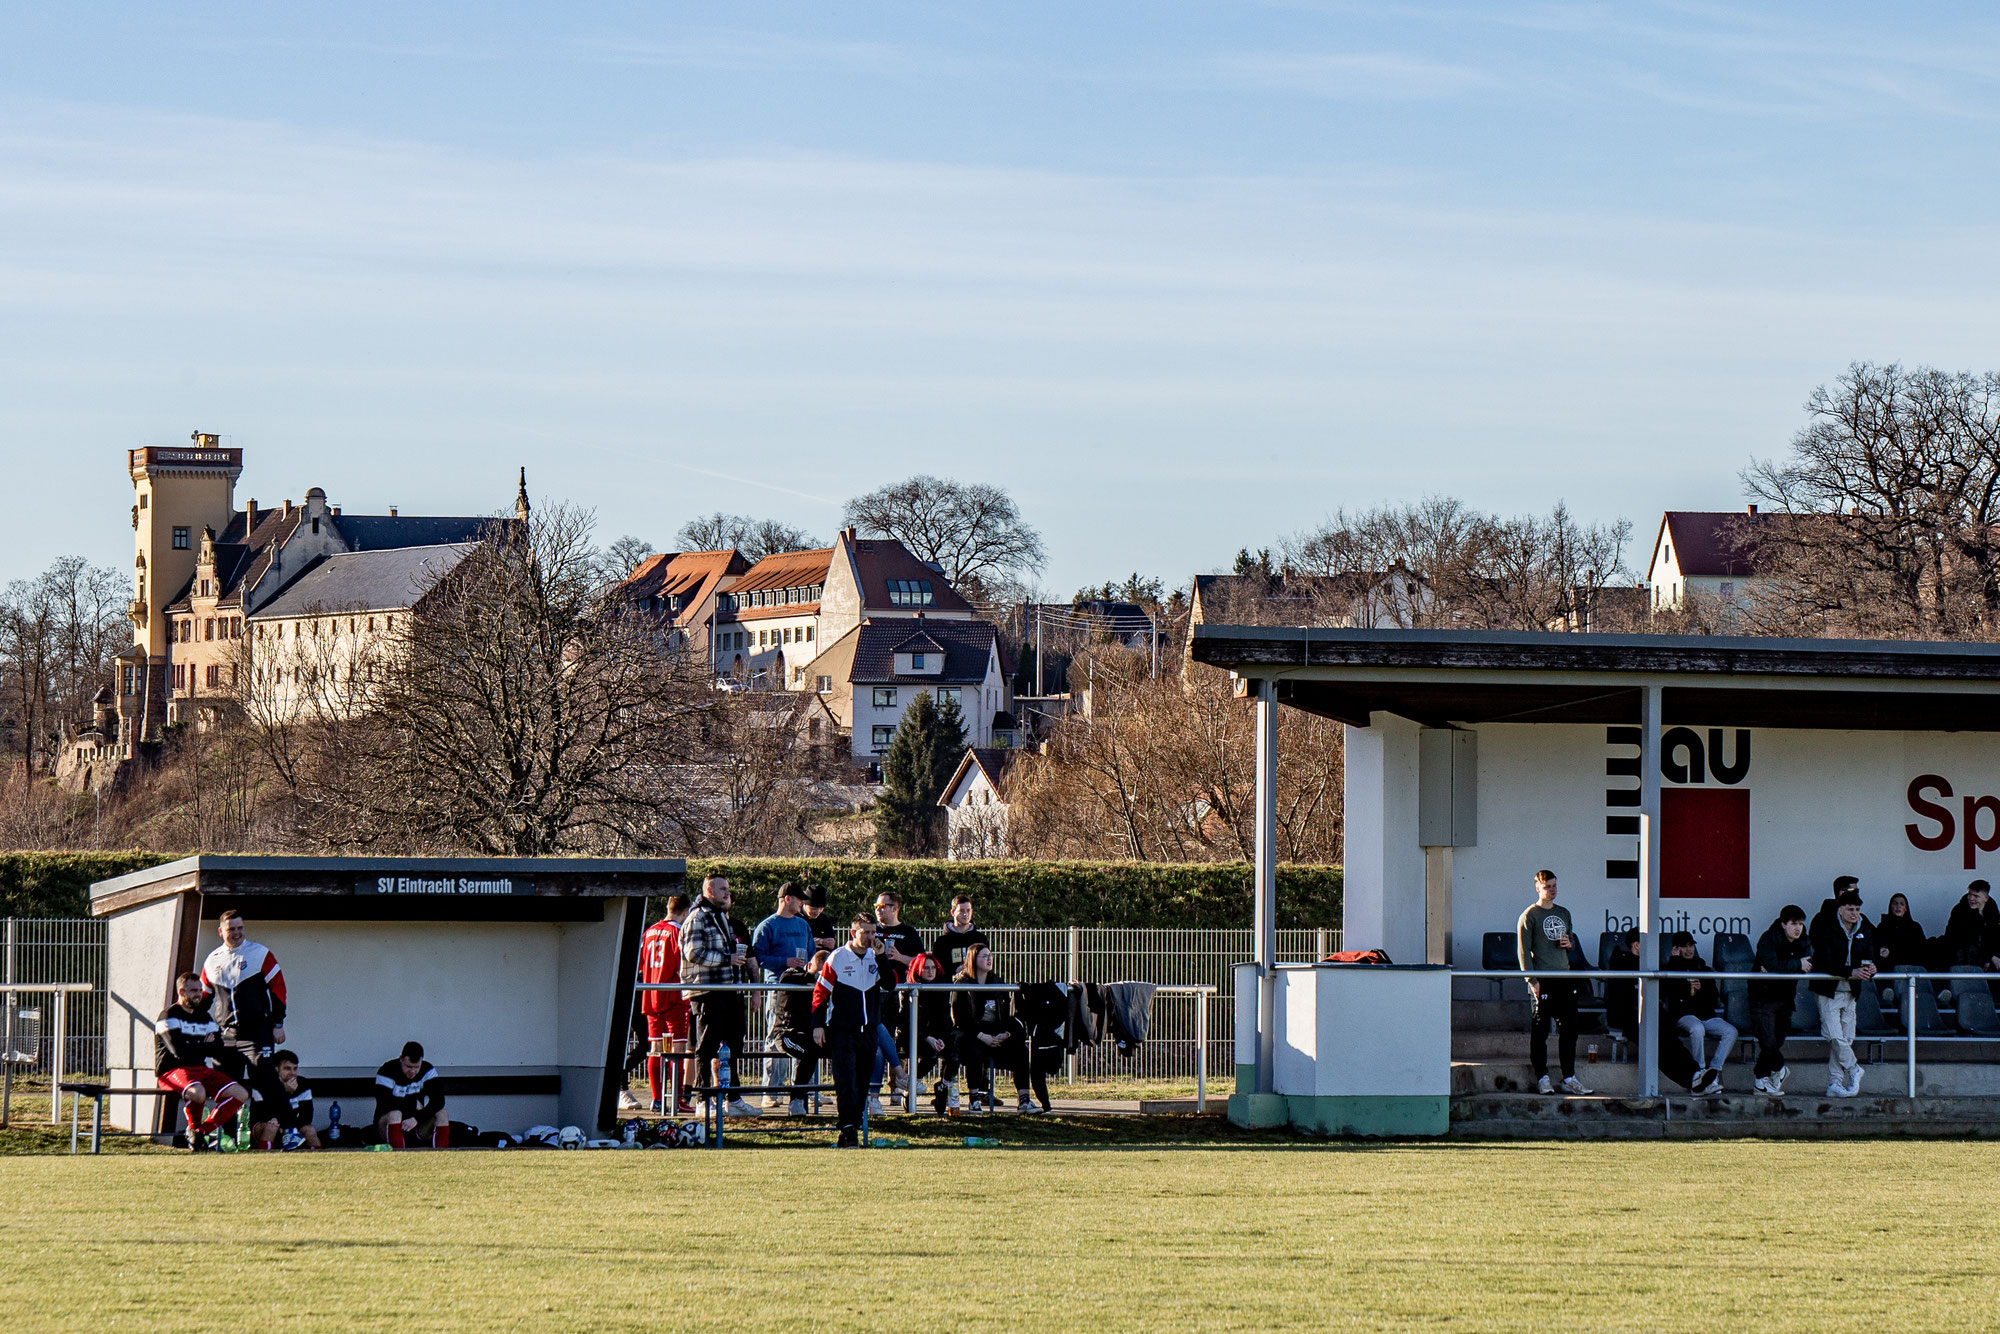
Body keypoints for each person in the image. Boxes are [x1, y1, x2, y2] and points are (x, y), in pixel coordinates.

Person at [680, 875, 760, 1119]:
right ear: (708, 890)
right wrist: (727, 959)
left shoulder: (720, 917)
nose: (728, 892)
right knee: (706, 1048)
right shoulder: (698, 917)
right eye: (722, 888)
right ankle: (703, 1099)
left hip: (729, 992)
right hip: (707, 993)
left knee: (734, 1046)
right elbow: (693, 952)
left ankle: (732, 1098)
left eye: (728, 888)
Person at [155, 970, 251, 1152]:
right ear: (181, 992)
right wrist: (202, 1044)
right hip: (172, 1071)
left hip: (200, 1069)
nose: (199, 994)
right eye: (193, 991)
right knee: (198, 1092)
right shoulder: (168, 1016)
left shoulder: (205, 1017)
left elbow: (217, 1048)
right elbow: (178, 1052)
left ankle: (199, 1132)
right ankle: (196, 1133)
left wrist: (194, 1044)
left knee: (241, 1093)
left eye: (200, 990)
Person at [812, 917, 886, 1148]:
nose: (871, 937)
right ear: (854, 932)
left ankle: (851, 1126)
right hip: (843, 1030)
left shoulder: (876, 956)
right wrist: (817, 1025)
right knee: (846, 1082)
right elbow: (820, 993)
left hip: (869, 1030)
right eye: (866, 932)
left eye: (874, 932)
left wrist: (883, 958)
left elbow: (892, 983)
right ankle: (848, 1129)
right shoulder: (838, 957)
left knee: (863, 1083)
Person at [1516, 869, 1591, 1095]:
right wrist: (1532, 981)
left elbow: (1570, 942)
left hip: (1564, 978)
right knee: (1540, 1031)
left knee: (1570, 1030)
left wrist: (1570, 944)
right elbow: (1523, 952)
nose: (1552, 890)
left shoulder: (1564, 912)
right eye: (1548, 886)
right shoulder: (1529, 915)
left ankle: (1569, 1077)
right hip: (1543, 980)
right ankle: (1543, 1077)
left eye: (1555, 885)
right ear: (1538, 888)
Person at [201, 909, 287, 1080]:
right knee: (226, 1086)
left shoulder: (260, 953)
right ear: (221, 932)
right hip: (226, 1034)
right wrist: (201, 1026)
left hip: (258, 1032)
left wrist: (278, 1024)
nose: (237, 933)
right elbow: (203, 997)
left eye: (240, 928)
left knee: (264, 1085)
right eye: (231, 929)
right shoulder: (212, 960)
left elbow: (279, 989)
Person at [1808, 882, 1876, 1098]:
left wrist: (1873, 967)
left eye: (1857, 909)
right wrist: (1850, 971)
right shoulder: (1827, 928)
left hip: (1852, 991)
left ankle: (1835, 1083)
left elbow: (1870, 954)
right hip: (1829, 990)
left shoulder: (1865, 928)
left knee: (1846, 1039)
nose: (1854, 914)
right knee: (1834, 1036)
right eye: (1850, 909)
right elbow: (1823, 961)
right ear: (1840, 909)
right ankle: (1854, 1069)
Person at [752, 884, 815, 1110]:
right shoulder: (767, 926)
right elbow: (757, 957)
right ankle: (771, 1090)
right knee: (775, 1036)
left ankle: (801, 1089)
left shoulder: (803, 925)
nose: (803, 904)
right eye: (799, 900)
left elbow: (811, 953)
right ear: (787, 899)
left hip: (802, 989)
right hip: (777, 989)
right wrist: (784, 962)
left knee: (803, 1038)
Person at [952, 944, 1033, 1114]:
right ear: (973, 959)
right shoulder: (963, 984)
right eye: (984, 956)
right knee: (974, 1049)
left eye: (990, 955)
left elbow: (1007, 1014)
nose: (989, 959)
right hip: (974, 1034)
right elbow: (960, 1018)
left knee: (1021, 1049)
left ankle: (1024, 1100)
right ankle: (974, 1098)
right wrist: (982, 1035)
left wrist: (1006, 1033)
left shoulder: (997, 982)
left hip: (996, 1033)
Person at [636, 894, 695, 1115]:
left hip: (651, 996)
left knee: (656, 1048)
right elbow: (684, 965)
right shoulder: (678, 933)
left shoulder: (648, 932)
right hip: (673, 997)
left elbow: (642, 965)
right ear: (685, 911)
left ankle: (657, 1099)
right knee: (676, 1049)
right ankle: (677, 1099)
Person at [1662, 931, 1735, 1094]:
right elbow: (1667, 993)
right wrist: (1675, 962)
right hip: (1683, 1015)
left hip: (1706, 1015)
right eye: (1684, 946)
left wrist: (1702, 989)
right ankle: (1699, 1072)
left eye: (1691, 945)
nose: (1689, 949)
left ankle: (1714, 1071)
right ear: (1676, 948)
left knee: (1730, 1031)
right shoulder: (1669, 967)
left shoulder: (1702, 966)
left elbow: (1714, 996)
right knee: (1697, 1029)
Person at [1751, 904, 1812, 1095]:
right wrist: (1796, 964)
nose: (1798, 928)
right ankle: (1781, 1068)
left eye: (1801, 924)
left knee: (1776, 1041)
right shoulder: (1768, 938)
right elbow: (1770, 963)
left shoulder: (1803, 940)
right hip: (1763, 997)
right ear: (1783, 924)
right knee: (1767, 1040)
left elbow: (1809, 963)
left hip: (1786, 997)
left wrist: (1782, 967)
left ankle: (1760, 1082)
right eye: (1794, 924)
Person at [773, 950, 827, 1117]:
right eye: (821, 971)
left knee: (845, 1048)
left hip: (810, 1034)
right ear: (810, 966)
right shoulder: (793, 975)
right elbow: (787, 979)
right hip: (786, 1033)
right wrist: (814, 977)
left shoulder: (828, 984)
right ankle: (796, 1100)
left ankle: (852, 1099)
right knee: (810, 1052)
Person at [905, 953, 957, 1111]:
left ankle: (943, 1087)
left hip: (937, 1035)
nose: (930, 971)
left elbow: (945, 1019)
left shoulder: (941, 990)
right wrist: (927, 1037)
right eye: (926, 968)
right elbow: (907, 1022)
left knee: (953, 1056)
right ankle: (912, 1086)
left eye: (933, 967)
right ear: (918, 969)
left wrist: (941, 1038)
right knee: (930, 1056)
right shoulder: (909, 990)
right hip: (914, 1035)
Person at [373, 1040, 447, 1148]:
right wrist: (412, 1104)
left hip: (417, 1121)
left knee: (442, 1113)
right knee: (395, 1114)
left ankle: (443, 1155)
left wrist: (416, 1118)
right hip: (389, 1123)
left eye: (416, 1067)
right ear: (401, 1059)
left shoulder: (427, 1070)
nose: (412, 1071)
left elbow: (439, 1100)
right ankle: (397, 1156)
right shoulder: (387, 1070)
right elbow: (384, 1101)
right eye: (408, 1067)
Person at [248, 1048, 321, 1150]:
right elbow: (262, 1115)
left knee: (310, 1130)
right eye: (287, 1069)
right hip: (264, 1126)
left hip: (291, 1128)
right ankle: (264, 1156)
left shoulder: (303, 1085)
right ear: (276, 1069)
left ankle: (317, 1159)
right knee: (271, 1127)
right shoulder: (262, 1084)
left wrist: (288, 1127)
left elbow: (307, 1117)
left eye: (295, 1069)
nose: (292, 1073)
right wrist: (283, 1092)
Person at [936, 895, 989, 978]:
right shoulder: (942, 941)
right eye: (961, 911)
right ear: (952, 912)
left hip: (975, 986)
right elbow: (938, 968)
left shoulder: (980, 939)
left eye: (968, 911)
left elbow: (986, 964)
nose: (965, 914)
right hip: (950, 987)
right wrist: (955, 971)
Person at [1873, 892, 1928, 972]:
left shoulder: (1915, 927)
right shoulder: (1883, 927)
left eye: (1901, 904)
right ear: (1890, 907)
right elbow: (1876, 945)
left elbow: (1920, 949)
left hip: (1911, 968)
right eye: (1895, 904)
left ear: (1906, 908)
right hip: (1888, 970)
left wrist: (1893, 952)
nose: (1898, 906)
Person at [1603, 927, 1640, 1037]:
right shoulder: (1620, 963)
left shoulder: (1652, 963)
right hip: (1627, 1015)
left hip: (1646, 1012)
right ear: (1637, 945)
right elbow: (1622, 992)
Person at [802, 885, 841, 958]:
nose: (817, 912)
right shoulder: (796, 918)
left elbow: (832, 942)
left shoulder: (824, 919)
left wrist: (832, 945)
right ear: (804, 904)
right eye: (813, 908)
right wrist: (810, 944)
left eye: (821, 908)